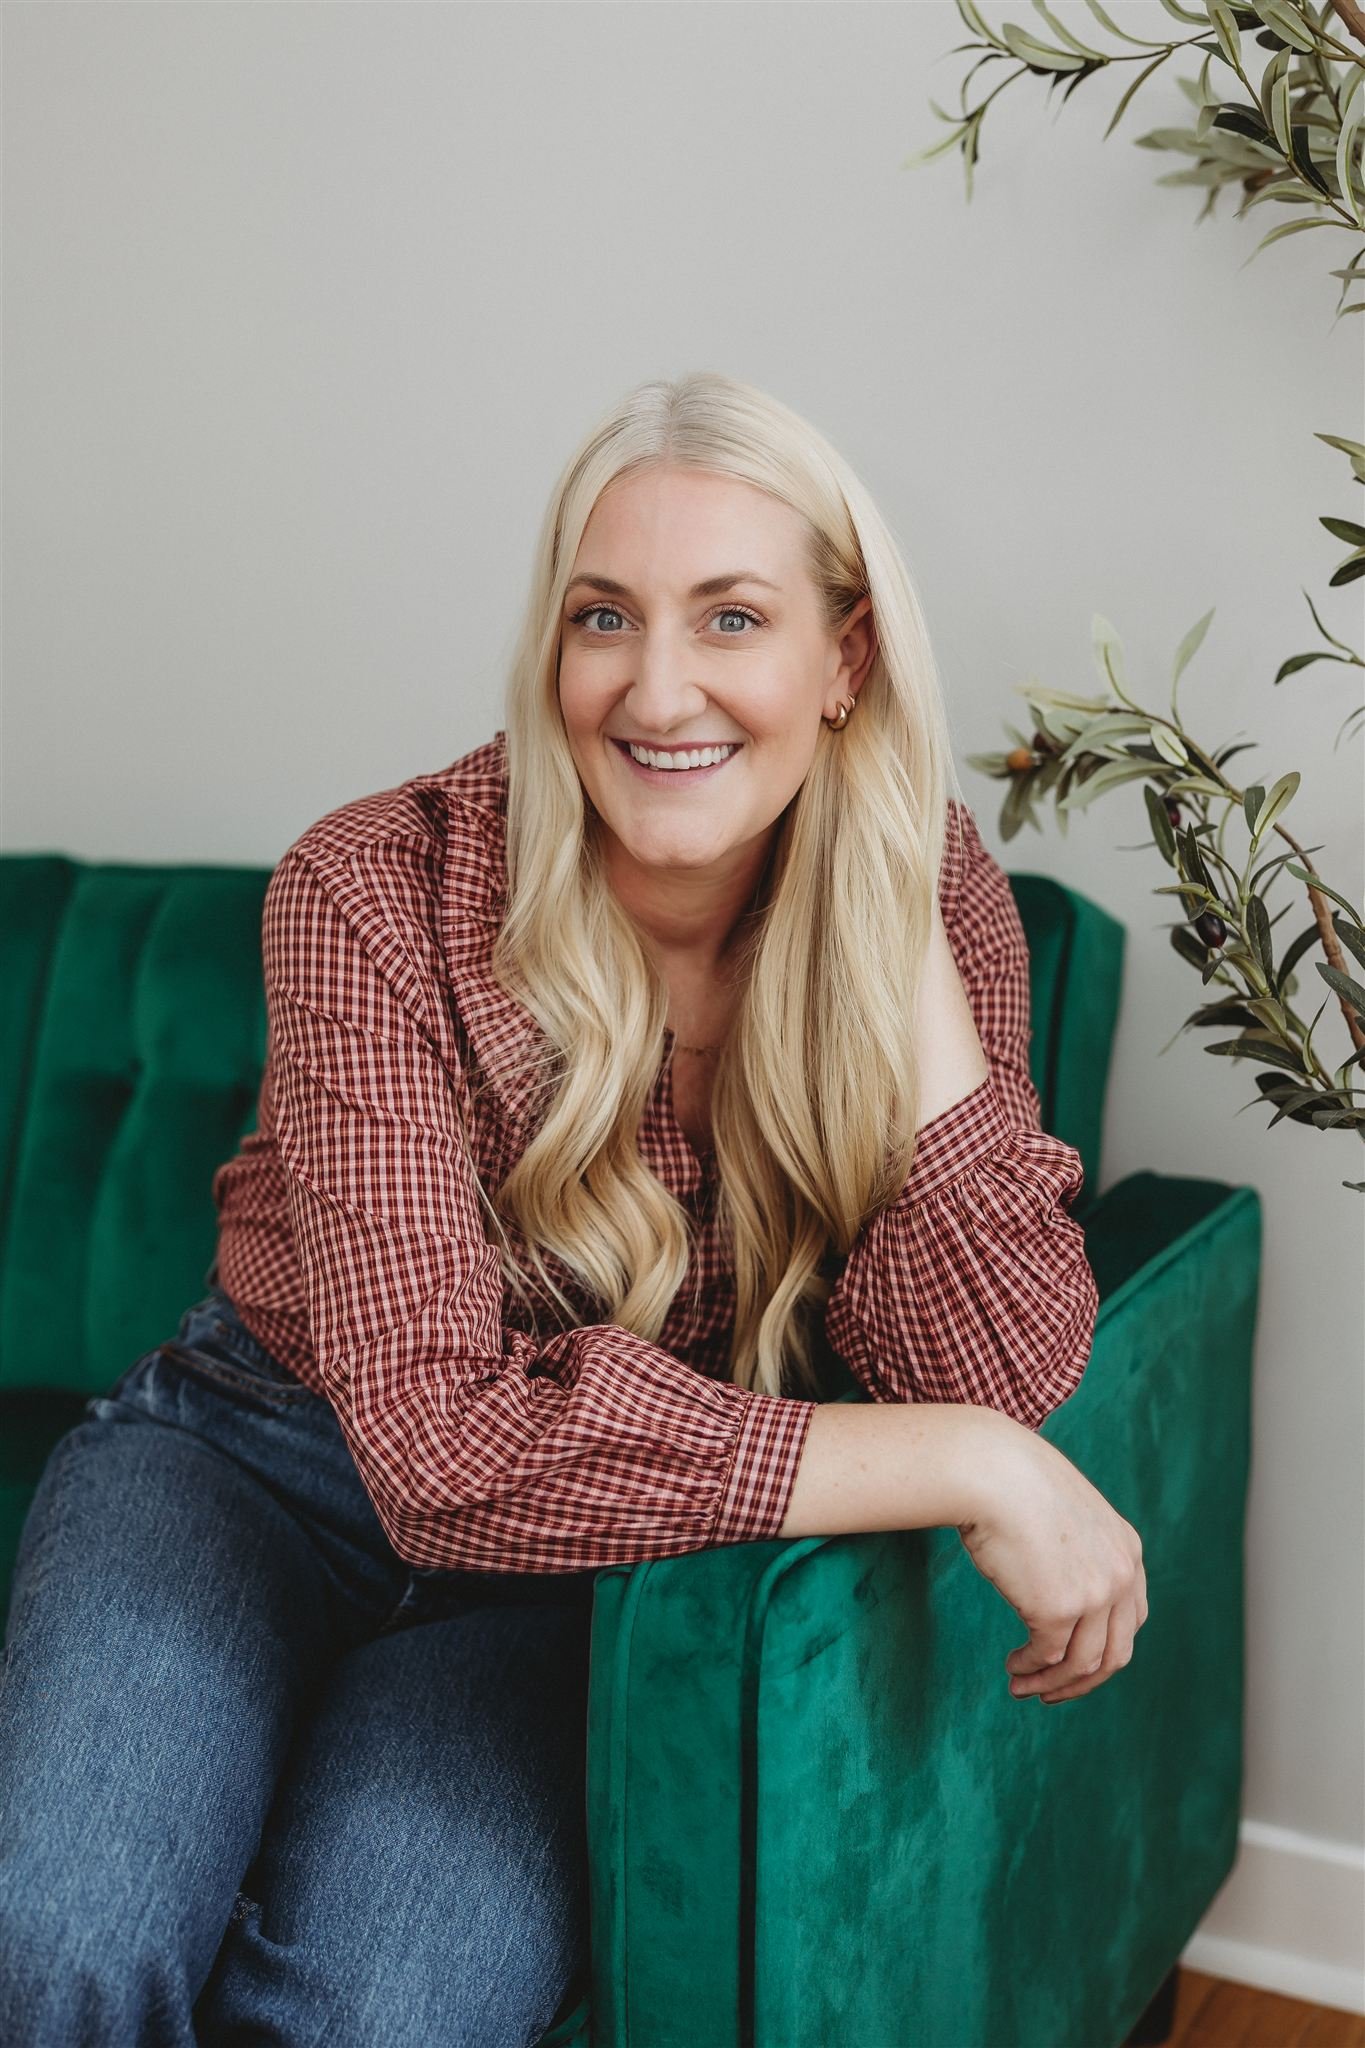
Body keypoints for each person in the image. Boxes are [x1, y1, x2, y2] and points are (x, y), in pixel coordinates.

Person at [0, 369, 1146, 2046]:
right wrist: (964, 1461)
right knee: (55, 1943)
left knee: (379, 2017)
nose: (655, 686)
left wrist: (891, 940)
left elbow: (993, 1349)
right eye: (604, 615)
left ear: (845, 664)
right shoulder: (371, 888)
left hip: (584, 1569)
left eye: (733, 618)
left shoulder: (930, 892)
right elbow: (441, 1450)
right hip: (254, 1461)